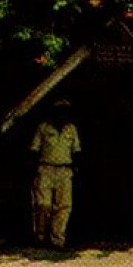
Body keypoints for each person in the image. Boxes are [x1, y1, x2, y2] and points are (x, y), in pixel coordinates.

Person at [30, 100, 80, 248]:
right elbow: (34, 149)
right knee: (43, 204)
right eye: (59, 111)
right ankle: (40, 236)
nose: (62, 115)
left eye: (65, 112)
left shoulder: (71, 129)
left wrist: (77, 168)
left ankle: (57, 239)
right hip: (45, 168)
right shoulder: (43, 128)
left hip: (65, 170)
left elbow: (76, 150)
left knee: (64, 206)